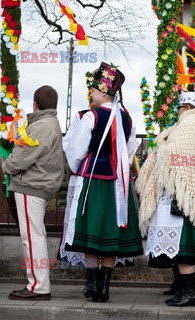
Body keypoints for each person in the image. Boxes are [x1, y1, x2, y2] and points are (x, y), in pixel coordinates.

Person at [62, 62, 143, 303]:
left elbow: (76, 151)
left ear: (104, 92)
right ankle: (104, 287)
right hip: (118, 184)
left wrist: (78, 169)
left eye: (94, 91)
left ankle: (93, 285)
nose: (92, 95)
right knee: (110, 231)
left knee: (91, 231)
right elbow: (129, 150)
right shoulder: (127, 119)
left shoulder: (91, 117)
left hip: (94, 180)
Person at [137, 91, 195, 307]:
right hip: (185, 193)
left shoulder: (192, 125)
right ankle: (184, 289)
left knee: (184, 245)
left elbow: (177, 154)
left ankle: (190, 292)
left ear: (188, 108)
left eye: (181, 107)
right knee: (180, 244)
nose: (178, 111)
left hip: (185, 194)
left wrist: (161, 147)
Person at [2, 86, 64, 300]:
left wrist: (6, 164)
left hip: (32, 184)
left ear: (35, 105)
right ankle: (38, 284)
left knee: (32, 237)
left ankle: (38, 286)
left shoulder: (41, 126)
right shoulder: (50, 123)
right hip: (39, 184)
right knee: (35, 236)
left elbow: (21, 158)